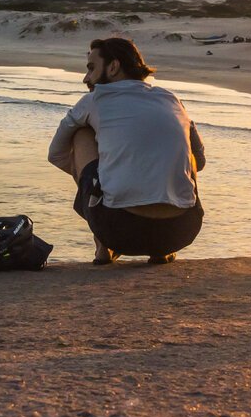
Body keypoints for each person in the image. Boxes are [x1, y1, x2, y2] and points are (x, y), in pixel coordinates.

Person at [49, 38, 205, 265]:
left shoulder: (95, 100)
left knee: (81, 134)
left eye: (91, 68)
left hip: (117, 229)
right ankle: (160, 251)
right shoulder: (171, 99)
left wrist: (97, 176)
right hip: (180, 231)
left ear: (113, 67)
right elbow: (198, 161)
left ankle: (103, 247)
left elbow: (56, 154)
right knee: (182, 149)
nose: (86, 78)